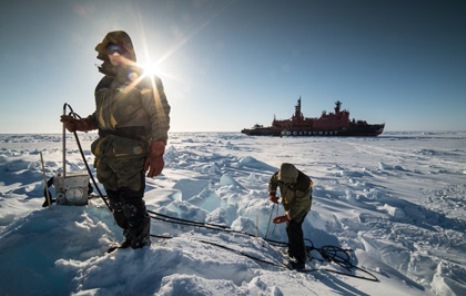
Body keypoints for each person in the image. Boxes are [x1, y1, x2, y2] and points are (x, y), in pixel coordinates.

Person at [61, 31, 171, 249]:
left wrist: (157, 150)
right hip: (106, 152)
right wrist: (80, 124)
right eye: (110, 50)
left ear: (129, 51)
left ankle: (139, 246)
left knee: (131, 200)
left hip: (131, 152)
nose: (115, 55)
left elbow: (159, 113)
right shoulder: (103, 84)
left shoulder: (144, 77)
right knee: (115, 200)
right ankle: (130, 237)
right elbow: (98, 117)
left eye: (119, 50)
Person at [268, 163, 313, 270]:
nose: (283, 183)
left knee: (294, 227)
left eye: (285, 182)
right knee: (290, 227)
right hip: (289, 204)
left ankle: (299, 261)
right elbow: (273, 181)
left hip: (301, 208)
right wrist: (272, 193)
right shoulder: (282, 175)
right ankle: (292, 250)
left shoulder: (303, 184)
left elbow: (299, 205)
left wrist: (285, 217)